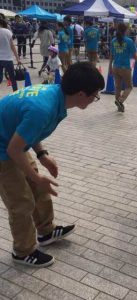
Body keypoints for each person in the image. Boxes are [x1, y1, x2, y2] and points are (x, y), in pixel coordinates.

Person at [0, 62, 105, 268]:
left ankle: (46, 231)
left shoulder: (56, 96)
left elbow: (27, 130)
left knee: (38, 187)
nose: (95, 99)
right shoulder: (44, 107)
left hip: (12, 141)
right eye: (96, 95)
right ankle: (23, 251)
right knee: (21, 201)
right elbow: (14, 150)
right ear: (82, 94)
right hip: (3, 149)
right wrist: (36, 177)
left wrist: (42, 155)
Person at [109, 23, 137, 113]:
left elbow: (111, 55)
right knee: (129, 87)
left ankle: (119, 107)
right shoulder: (129, 41)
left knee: (117, 87)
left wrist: (109, 67)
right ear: (125, 30)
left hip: (115, 66)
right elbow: (134, 55)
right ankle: (120, 101)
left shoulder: (113, 41)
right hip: (125, 67)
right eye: (127, 29)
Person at [0, 18, 20, 91]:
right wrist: (17, 58)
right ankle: (16, 94)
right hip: (8, 59)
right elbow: (12, 46)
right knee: (12, 78)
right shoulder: (8, 31)